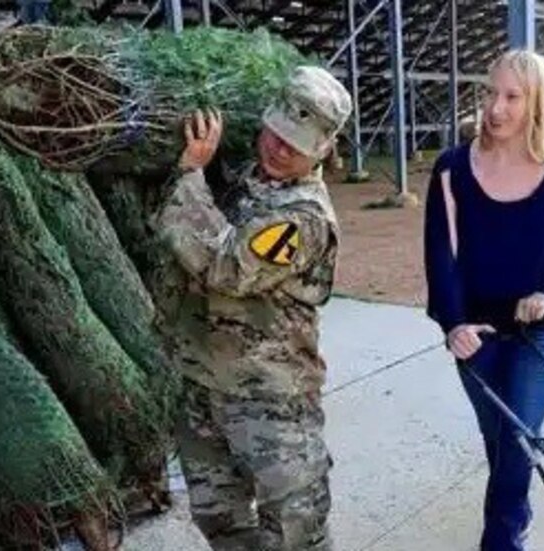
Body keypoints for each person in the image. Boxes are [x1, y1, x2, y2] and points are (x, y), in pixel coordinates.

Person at [154, 66, 351, 551]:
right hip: (203, 386)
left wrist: (188, 174)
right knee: (222, 523)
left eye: (296, 144)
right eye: (277, 133)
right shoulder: (246, 177)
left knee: (294, 535)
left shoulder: (304, 219)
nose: (279, 149)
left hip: (269, 403)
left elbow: (224, 266)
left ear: (323, 150)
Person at [423, 49, 544, 550]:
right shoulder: (452, 169)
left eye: (512, 97)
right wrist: (453, 323)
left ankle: (501, 540)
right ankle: (517, 511)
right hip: (476, 334)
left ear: (538, 103)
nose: (495, 108)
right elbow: (442, 257)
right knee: (501, 446)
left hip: (540, 333)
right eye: (490, 93)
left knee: (516, 445)